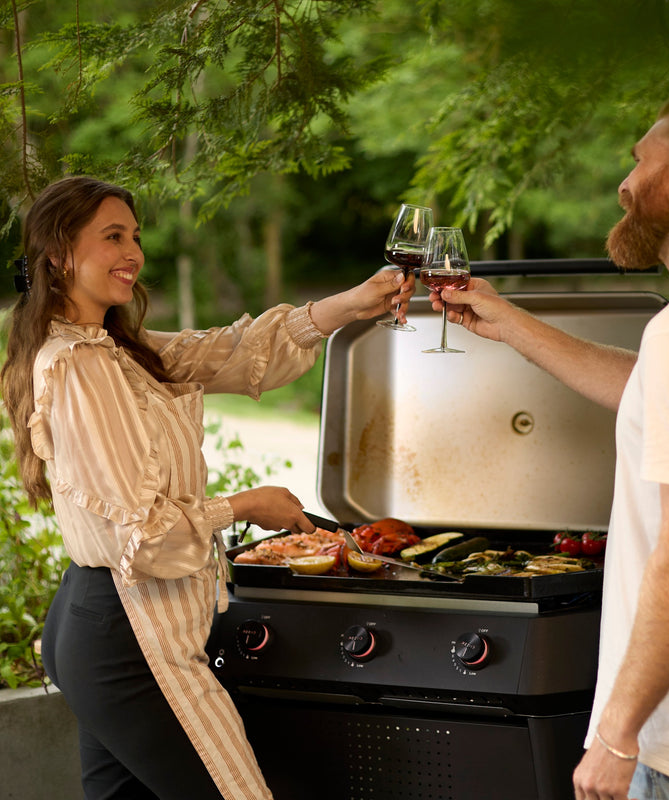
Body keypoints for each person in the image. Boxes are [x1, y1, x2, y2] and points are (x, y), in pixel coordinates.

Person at [428, 93, 669, 800]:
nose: (624, 185)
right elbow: (658, 391)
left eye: (640, 160)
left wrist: (617, 734)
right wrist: (509, 322)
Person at [0, 175, 415, 800]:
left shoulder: (112, 349)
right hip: (129, 637)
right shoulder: (81, 367)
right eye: (112, 237)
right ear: (58, 254)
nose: (132, 253)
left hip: (100, 623)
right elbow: (142, 533)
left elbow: (225, 351)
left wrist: (352, 303)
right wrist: (246, 504)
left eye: (135, 236)